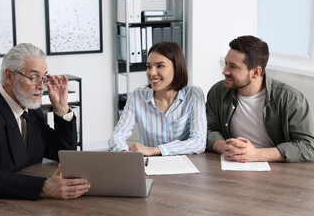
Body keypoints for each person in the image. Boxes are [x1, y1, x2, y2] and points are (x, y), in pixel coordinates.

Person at [0, 43, 90, 216]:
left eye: (44, 78)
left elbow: (63, 152)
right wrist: (44, 187)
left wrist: (62, 108)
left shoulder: (31, 110)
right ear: (9, 76)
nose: (41, 86)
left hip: (19, 204)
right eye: (34, 78)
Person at [206, 35, 314, 163]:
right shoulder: (218, 91)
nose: (225, 71)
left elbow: (308, 146)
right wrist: (224, 146)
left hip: (278, 174)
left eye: (233, 67)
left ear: (256, 72)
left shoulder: (291, 99)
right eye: (226, 64)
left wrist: (257, 154)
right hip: (232, 167)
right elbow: (205, 131)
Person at [109, 41, 207, 156]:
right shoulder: (137, 96)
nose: (152, 72)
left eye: (160, 66)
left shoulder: (194, 95)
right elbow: (117, 136)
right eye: (149, 66)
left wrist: (155, 150)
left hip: (185, 166)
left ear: (177, 67)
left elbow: (198, 142)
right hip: (150, 166)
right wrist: (125, 153)